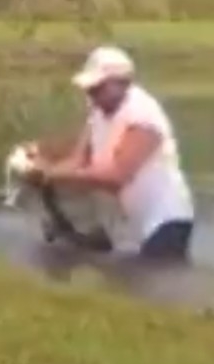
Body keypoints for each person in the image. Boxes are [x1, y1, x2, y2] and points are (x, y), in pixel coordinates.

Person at [28, 45, 195, 261]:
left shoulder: (144, 116)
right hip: (131, 220)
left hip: (166, 220)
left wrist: (49, 174)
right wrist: (39, 171)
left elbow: (116, 177)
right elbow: (78, 160)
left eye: (98, 87)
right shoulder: (98, 113)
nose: (91, 94)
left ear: (123, 82)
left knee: (157, 284)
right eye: (90, 88)